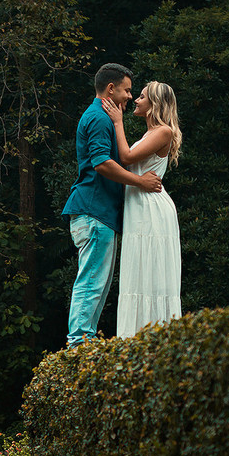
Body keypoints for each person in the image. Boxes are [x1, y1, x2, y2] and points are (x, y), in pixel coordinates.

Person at [62, 64, 162, 348]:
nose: (130, 96)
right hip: (94, 212)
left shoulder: (101, 116)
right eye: (128, 90)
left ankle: (82, 342)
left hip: (97, 213)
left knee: (98, 283)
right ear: (111, 89)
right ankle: (78, 345)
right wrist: (140, 182)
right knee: (92, 282)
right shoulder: (99, 118)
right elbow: (102, 163)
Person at [100, 80, 183, 337]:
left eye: (142, 96)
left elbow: (125, 158)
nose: (135, 99)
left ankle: (157, 343)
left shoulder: (163, 131)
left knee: (152, 276)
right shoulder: (148, 134)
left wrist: (117, 122)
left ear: (154, 104)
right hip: (139, 207)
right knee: (137, 275)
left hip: (152, 210)